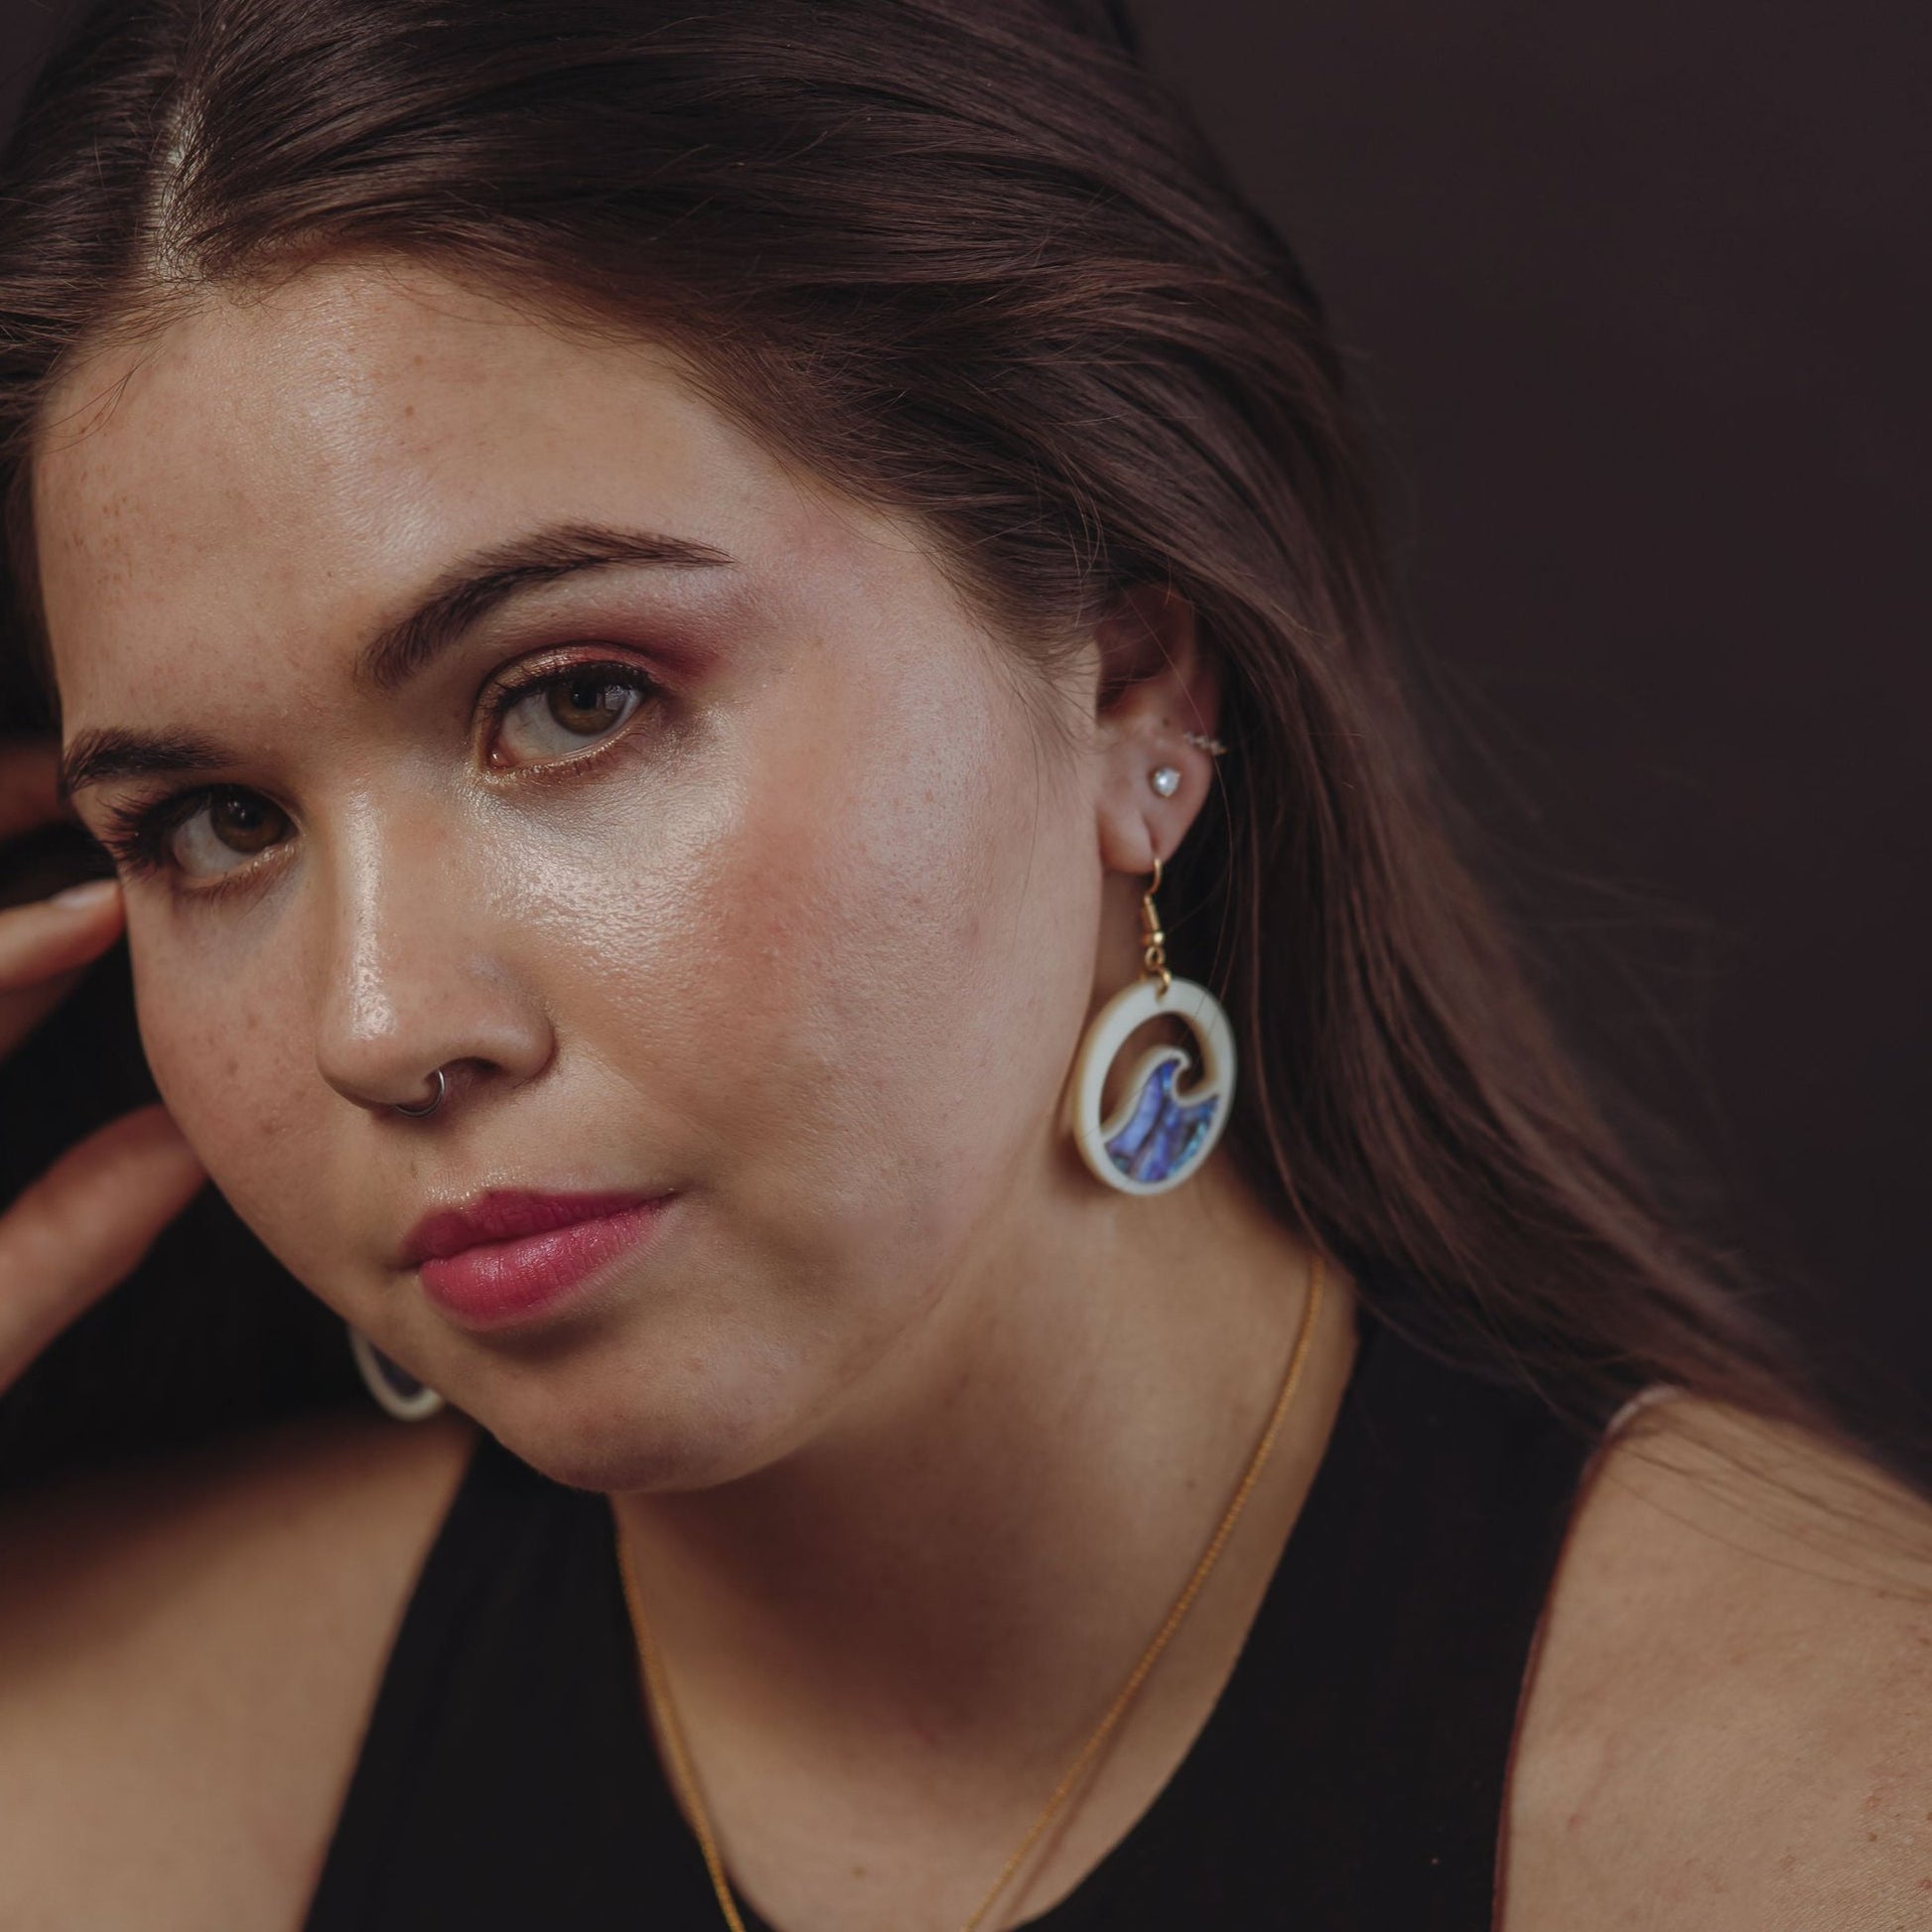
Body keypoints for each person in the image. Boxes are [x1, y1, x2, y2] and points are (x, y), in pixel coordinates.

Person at [0, 1, 1927, 1926]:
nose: (380, 1023)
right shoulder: (103, 1764)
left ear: (1124, 689)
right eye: (215, 827)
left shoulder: (1823, 1812)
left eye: (574, 699)